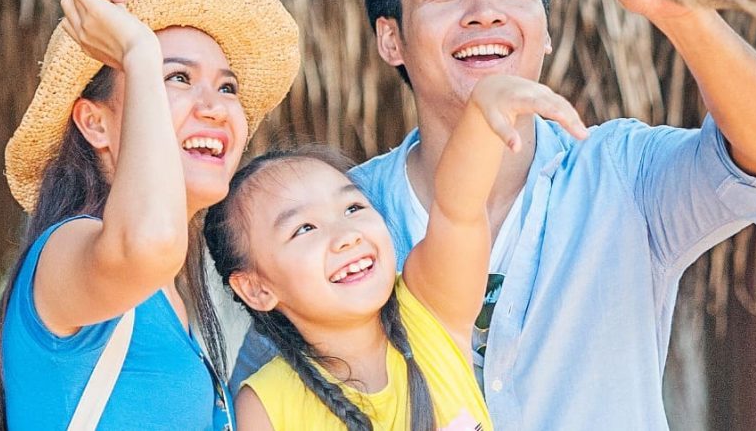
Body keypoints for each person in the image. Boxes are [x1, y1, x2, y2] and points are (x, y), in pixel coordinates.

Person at [236, 0, 756, 429]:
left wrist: (680, 12)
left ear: (543, 30)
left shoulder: (621, 172)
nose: (484, 11)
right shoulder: (339, 229)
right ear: (392, 40)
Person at [0, 0, 301, 431]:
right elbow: (149, 241)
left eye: (227, 87)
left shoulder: (180, 300)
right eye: (177, 78)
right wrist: (137, 51)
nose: (215, 107)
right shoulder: (68, 251)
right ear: (95, 123)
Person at [207, 71, 587, 430]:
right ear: (257, 288)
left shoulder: (430, 307)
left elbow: (458, 211)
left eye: (353, 208)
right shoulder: (264, 404)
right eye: (304, 228)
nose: (346, 235)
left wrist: (481, 111)